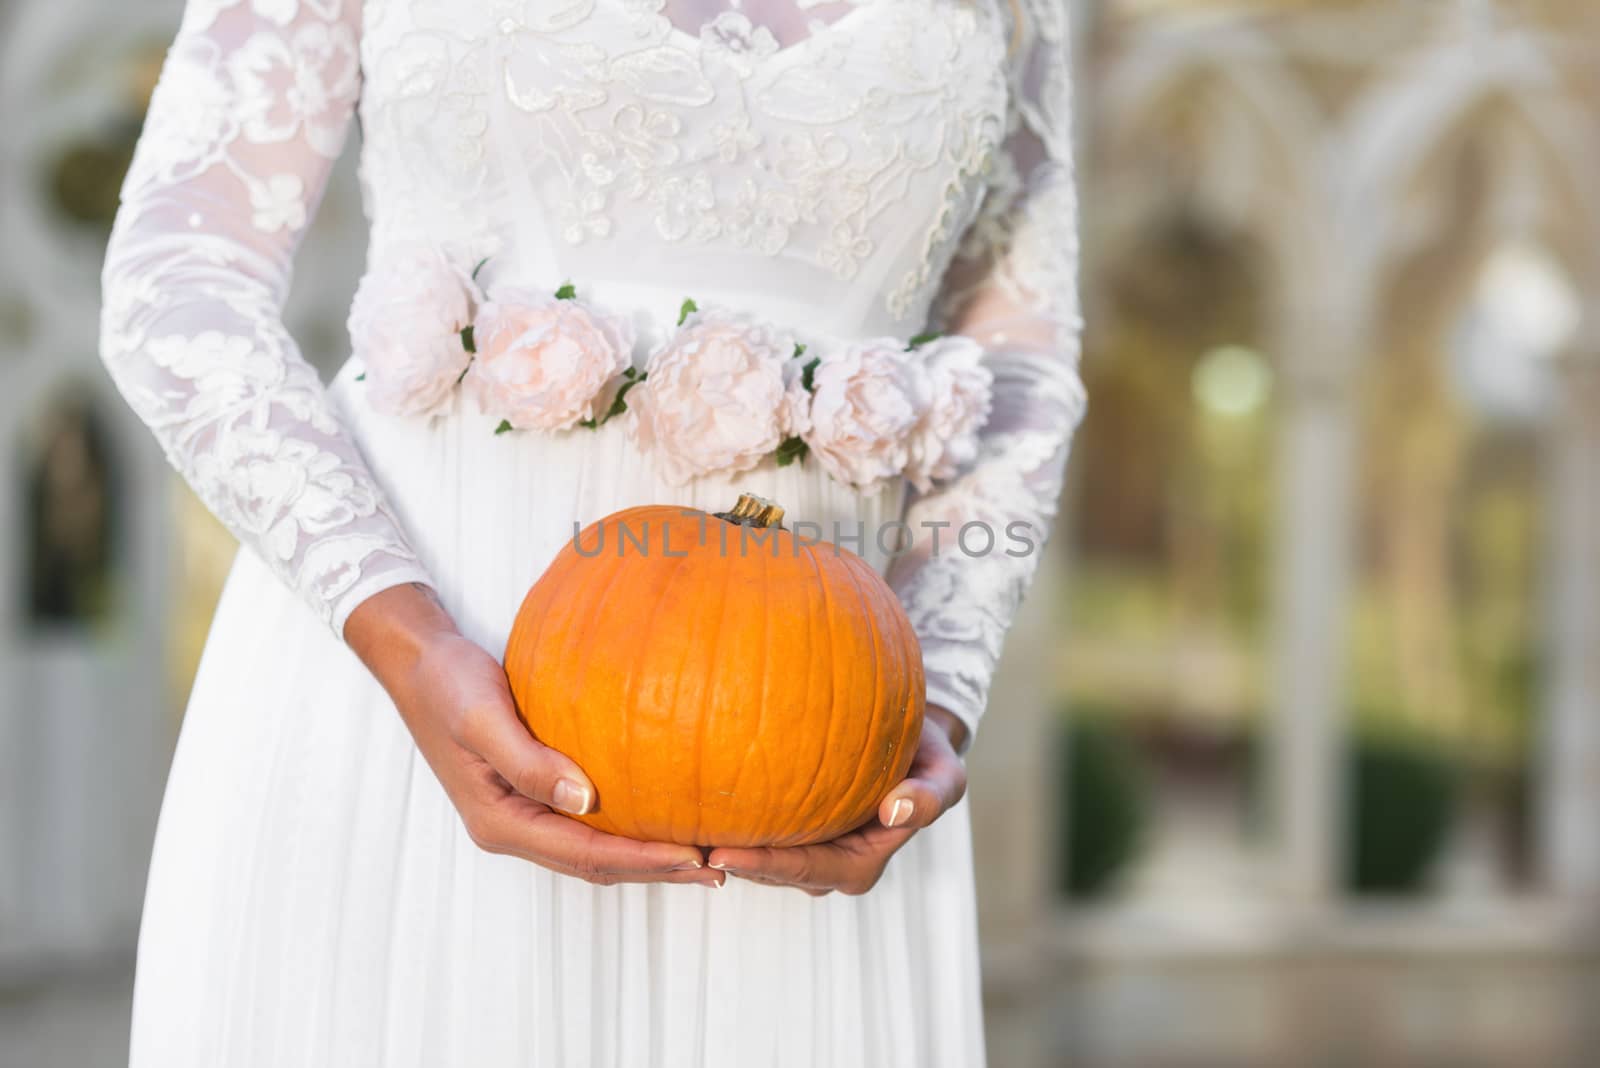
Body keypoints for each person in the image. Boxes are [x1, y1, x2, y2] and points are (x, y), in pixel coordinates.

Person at [99, 0, 1086, 1063]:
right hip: (414, 682)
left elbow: (1019, 359)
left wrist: (936, 686)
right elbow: (182, 277)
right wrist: (403, 633)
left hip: (824, 750)